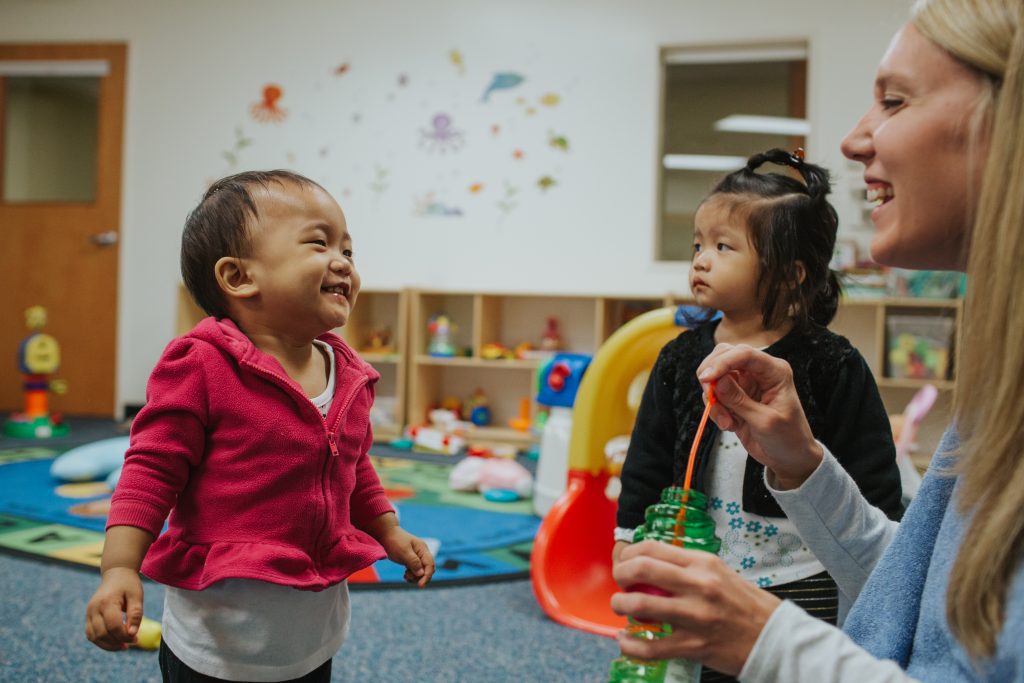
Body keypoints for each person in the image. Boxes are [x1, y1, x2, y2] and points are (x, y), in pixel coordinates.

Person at [610, 0, 1024, 680]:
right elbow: (915, 593)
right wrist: (803, 465)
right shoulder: (683, 355)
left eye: (893, 100)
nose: (855, 139)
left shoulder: (832, 364)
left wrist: (767, 638)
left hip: (801, 590)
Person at [84, 170, 436, 682]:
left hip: (310, 634)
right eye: (319, 243)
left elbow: (355, 468)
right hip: (218, 639)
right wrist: (119, 567)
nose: (342, 261)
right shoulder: (201, 366)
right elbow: (151, 471)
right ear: (239, 277)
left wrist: (388, 530)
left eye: (349, 250)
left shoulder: (351, 374)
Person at [614, 149, 904, 679]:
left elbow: (872, 474)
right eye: (698, 244)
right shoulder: (679, 358)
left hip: (802, 573)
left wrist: (884, 577)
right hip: (704, 566)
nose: (701, 259)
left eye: (723, 247)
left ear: (790, 274)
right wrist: (630, 536)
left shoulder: (832, 363)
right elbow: (647, 459)